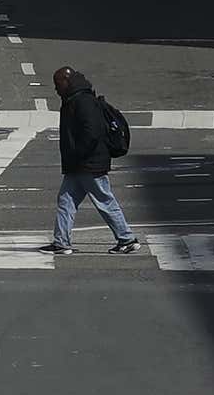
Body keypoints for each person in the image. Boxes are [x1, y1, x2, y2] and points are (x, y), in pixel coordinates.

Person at [38, 67, 140, 255]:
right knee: (66, 200)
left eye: (57, 83)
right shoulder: (73, 100)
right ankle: (61, 242)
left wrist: (78, 154)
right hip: (79, 164)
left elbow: (92, 133)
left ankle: (127, 239)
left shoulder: (83, 101)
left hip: (88, 163)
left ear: (67, 80)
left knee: (104, 200)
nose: (55, 88)